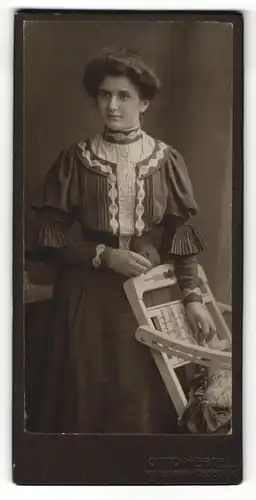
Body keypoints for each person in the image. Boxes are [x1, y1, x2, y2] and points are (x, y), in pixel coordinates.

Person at [32, 47, 216, 434]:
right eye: (104, 94)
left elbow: (180, 239)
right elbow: (49, 239)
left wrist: (193, 299)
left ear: (144, 103)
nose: (112, 106)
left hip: (147, 296)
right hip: (86, 298)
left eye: (124, 96)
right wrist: (103, 256)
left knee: (144, 403)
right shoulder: (75, 160)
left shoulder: (166, 161)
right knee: (86, 398)